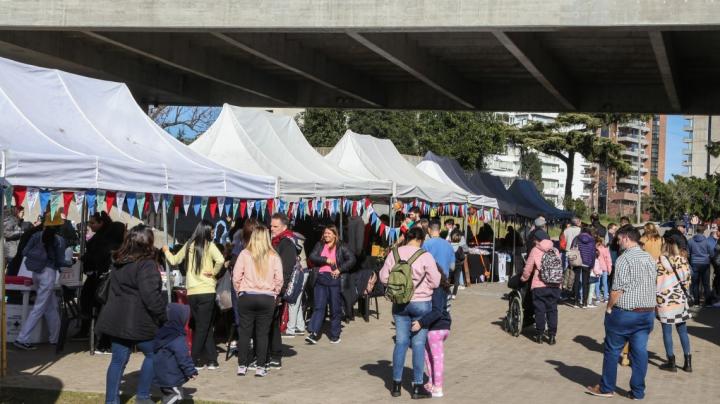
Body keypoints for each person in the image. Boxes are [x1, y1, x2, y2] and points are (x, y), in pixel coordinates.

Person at [97, 225, 167, 404]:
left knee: (118, 360)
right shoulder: (145, 264)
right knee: (154, 354)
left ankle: (111, 401)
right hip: (138, 321)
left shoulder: (119, 261)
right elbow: (151, 297)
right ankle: (143, 396)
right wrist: (163, 317)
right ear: (147, 242)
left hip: (118, 319)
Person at [587, 225, 657, 400]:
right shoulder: (649, 258)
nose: (617, 243)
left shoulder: (623, 259)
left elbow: (617, 290)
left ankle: (607, 388)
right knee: (640, 352)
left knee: (612, 349)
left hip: (625, 313)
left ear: (626, 238)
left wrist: (609, 307)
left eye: (619, 239)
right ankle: (638, 391)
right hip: (647, 312)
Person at [380, 227, 441, 399]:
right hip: (421, 303)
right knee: (418, 345)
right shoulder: (425, 256)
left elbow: (383, 277)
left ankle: (396, 386)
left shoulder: (394, 253)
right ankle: (416, 387)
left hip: (399, 304)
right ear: (421, 240)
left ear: (406, 238)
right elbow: (436, 282)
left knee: (400, 342)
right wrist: (422, 287)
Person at [163, 220, 225, 370]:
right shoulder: (210, 246)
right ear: (205, 231)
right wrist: (214, 273)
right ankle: (193, 359)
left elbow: (174, 260)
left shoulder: (188, 245)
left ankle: (212, 359)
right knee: (203, 327)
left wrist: (166, 251)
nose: (213, 233)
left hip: (192, 292)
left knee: (204, 325)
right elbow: (221, 260)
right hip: (207, 291)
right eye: (211, 231)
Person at [12, 213, 71, 351]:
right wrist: (70, 262)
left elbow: (25, 252)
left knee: (50, 306)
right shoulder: (59, 240)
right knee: (40, 308)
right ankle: (22, 338)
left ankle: (55, 338)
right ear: (58, 227)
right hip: (48, 274)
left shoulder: (36, 236)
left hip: (35, 273)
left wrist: (39, 258)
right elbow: (61, 261)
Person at [233, 224, 283, 377]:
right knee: (262, 334)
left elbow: (236, 277)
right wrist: (274, 293)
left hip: (247, 295)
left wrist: (239, 292)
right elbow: (279, 280)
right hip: (266, 297)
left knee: (245, 332)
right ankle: (260, 367)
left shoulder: (244, 254)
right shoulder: (274, 256)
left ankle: (242, 365)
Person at [306, 225, 356, 344]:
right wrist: (325, 260)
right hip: (321, 279)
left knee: (335, 308)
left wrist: (339, 269)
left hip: (334, 280)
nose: (326, 235)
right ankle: (313, 333)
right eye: (325, 233)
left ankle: (335, 335)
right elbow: (312, 256)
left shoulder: (342, 246)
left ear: (335, 234)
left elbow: (352, 259)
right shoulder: (319, 245)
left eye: (329, 233)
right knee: (319, 307)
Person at [75, 212, 118, 341]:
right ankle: (88, 330)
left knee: (92, 302)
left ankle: (92, 332)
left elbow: (98, 257)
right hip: (97, 277)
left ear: (101, 223)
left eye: (93, 223)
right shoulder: (100, 237)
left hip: (100, 278)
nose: (90, 225)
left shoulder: (105, 240)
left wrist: (86, 258)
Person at [269, 213, 301, 369]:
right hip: (271, 288)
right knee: (270, 322)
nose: (272, 229)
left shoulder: (286, 243)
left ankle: (276, 355)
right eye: (271, 226)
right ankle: (271, 352)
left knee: (274, 323)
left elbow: (286, 270)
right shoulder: (275, 241)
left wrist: (280, 292)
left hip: (278, 289)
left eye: (275, 226)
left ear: (284, 227)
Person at [656, 238, 693, 373]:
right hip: (680, 301)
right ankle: (688, 362)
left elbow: (654, 282)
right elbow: (688, 281)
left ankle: (671, 362)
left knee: (667, 332)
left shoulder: (658, 262)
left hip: (664, 302)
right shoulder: (682, 261)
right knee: (682, 330)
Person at [413, 268, 451, 398]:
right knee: (428, 355)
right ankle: (431, 382)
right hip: (441, 327)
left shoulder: (437, 289)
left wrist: (421, 322)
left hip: (437, 327)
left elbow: (437, 311)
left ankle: (438, 387)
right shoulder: (442, 288)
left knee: (436, 358)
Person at [521, 230, 562, 345]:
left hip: (539, 285)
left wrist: (524, 279)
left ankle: (539, 334)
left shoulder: (535, 250)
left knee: (540, 310)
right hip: (555, 285)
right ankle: (552, 336)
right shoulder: (555, 250)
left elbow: (528, 268)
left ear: (538, 240)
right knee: (552, 310)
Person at [153, 303, 198, 404]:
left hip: (162, 375)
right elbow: (183, 357)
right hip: (171, 377)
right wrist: (191, 371)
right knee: (176, 395)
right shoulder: (177, 337)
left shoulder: (161, 333)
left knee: (169, 395)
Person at [687, 223, 713, 306]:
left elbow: (688, 253)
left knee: (695, 283)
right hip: (705, 264)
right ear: (704, 231)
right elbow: (711, 253)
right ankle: (708, 302)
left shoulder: (690, 241)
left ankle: (696, 302)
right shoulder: (707, 241)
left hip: (694, 263)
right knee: (706, 283)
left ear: (696, 230)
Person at [573, 227, 596, 308]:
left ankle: (575, 302)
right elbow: (593, 253)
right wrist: (592, 264)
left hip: (577, 262)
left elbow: (572, 249)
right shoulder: (592, 240)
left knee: (576, 281)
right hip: (587, 263)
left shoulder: (577, 237)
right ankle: (585, 303)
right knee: (585, 283)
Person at [449, 229, 467, 298]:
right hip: (458, 265)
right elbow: (462, 257)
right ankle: (454, 294)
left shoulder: (449, 246)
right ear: (459, 239)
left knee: (448, 279)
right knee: (456, 280)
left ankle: (448, 292)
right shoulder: (460, 248)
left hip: (450, 265)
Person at [595, 237, 613, 303]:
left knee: (597, 283)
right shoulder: (605, 249)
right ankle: (605, 297)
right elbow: (608, 260)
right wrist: (609, 269)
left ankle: (597, 297)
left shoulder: (595, 249)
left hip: (597, 268)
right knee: (605, 283)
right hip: (604, 268)